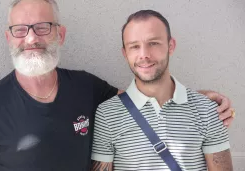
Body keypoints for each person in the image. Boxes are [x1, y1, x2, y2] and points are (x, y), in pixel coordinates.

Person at [0, 1, 234, 171]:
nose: (31, 38)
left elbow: (138, 100)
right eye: (20, 29)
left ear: (61, 34)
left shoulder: (86, 87)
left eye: (43, 27)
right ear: (9, 38)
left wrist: (198, 99)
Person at [91, 10, 234, 171]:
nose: (144, 54)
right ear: (125, 53)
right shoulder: (107, 114)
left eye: (153, 43)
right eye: (134, 46)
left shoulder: (207, 109)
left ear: (170, 46)